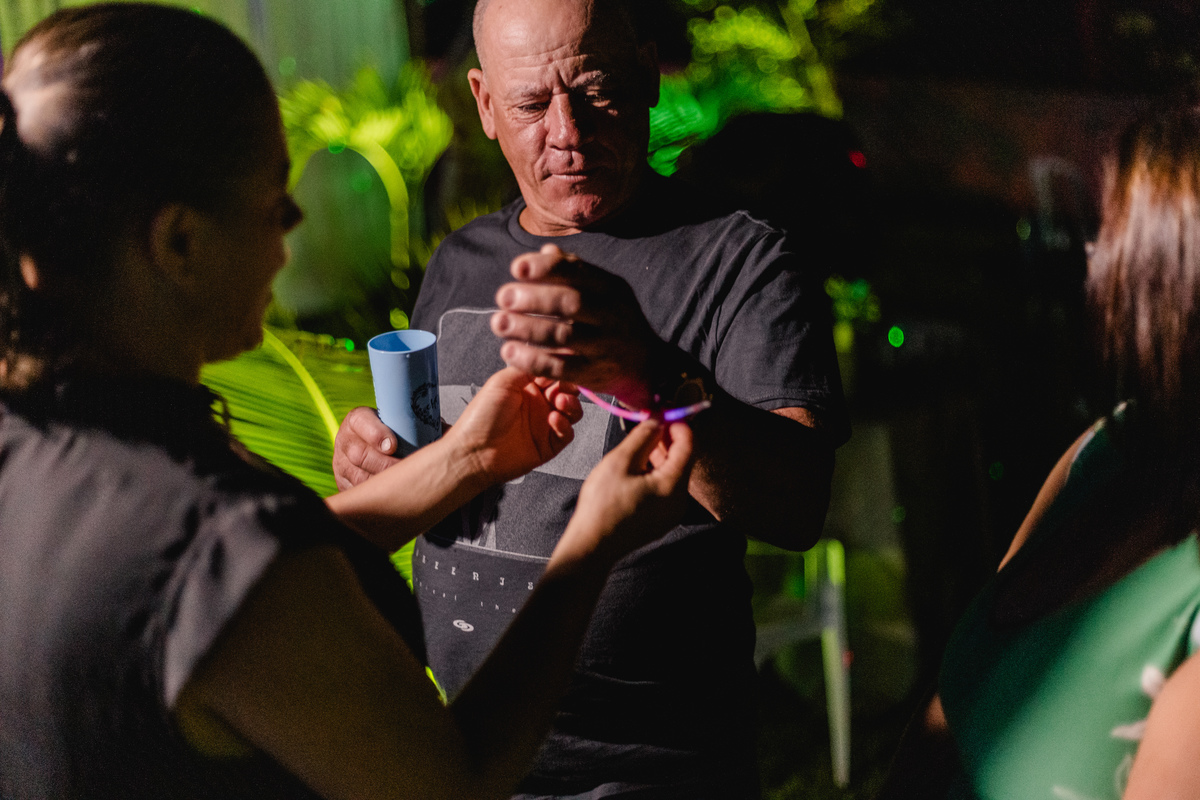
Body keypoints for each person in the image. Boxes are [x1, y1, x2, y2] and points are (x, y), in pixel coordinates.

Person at [0, 5, 697, 799]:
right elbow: (454, 779)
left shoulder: (34, 442)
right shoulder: (227, 550)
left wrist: (466, 458)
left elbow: (212, 580)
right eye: (273, 197)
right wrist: (588, 547)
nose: (296, 221)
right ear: (179, 244)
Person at [332, 0, 849, 795]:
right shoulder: (459, 263)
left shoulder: (742, 260)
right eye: (533, 105)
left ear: (647, 73)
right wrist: (377, 460)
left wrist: (645, 377)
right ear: (484, 106)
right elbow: (447, 470)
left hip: (653, 773)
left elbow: (796, 505)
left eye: (595, 90)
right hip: (464, 757)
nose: (566, 132)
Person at [878, 105, 1200, 800]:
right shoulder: (1110, 450)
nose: (1092, 258)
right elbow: (958, 693)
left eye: (1112, 233)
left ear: (1166, 274)